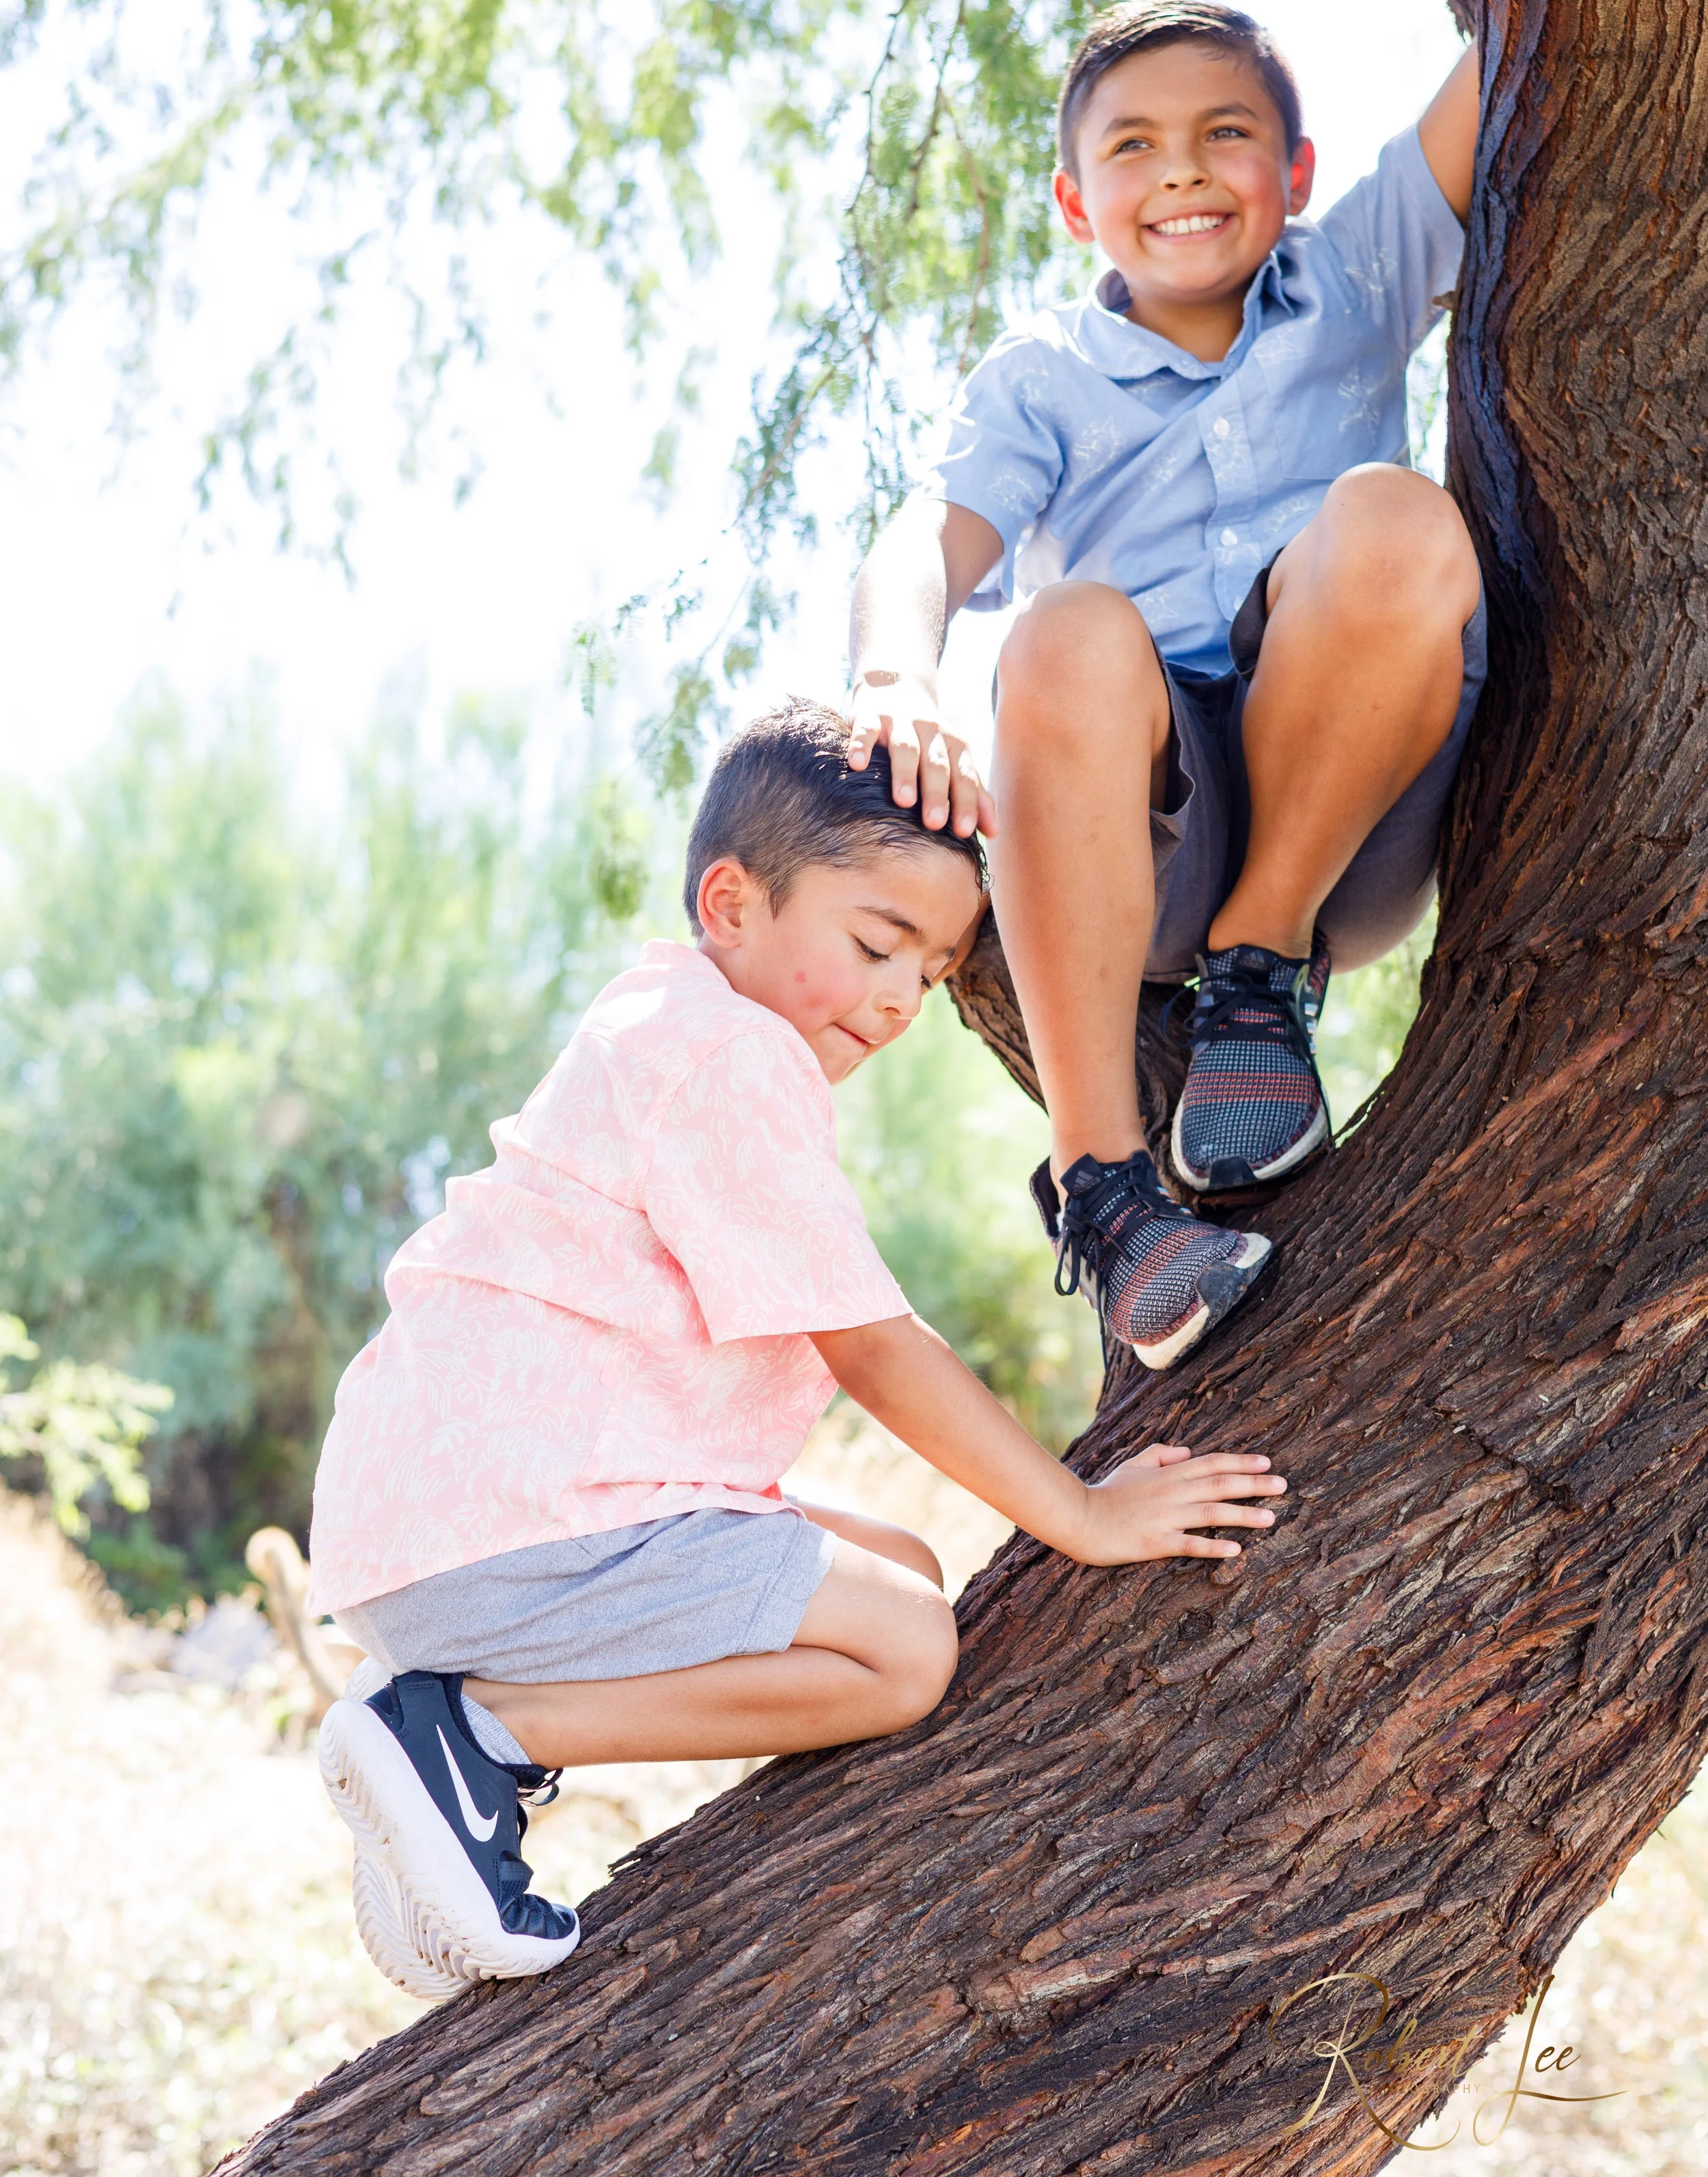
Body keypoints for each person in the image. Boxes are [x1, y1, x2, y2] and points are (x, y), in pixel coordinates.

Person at [308, 702, 1288, 1999]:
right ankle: (480, 1736)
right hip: (501, 1525)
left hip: (455, 1517)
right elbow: (875, 1348)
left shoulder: (661, 1016)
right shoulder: (730, 1056)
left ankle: (438, 1782)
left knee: (905, 1566)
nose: (897, 1000)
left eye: (931, 976)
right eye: (878, 944)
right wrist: (1087, 1512)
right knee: (905, 1650)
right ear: (732, 901)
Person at [846, 0, 1485, 1372]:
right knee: (1063, 626)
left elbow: (1514, 54)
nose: (1183, 170)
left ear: (1295, 175)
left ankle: (1256, 976)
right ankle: (1106, 1191)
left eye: (1226, 134)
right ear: (1077, 204)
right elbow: (928, 537)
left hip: (1349, 811)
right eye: (1132, 147)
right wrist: (897, 670)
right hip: (1144, 844)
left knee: (1396, 519)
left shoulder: (1355, 275)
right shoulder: (1042, 380)